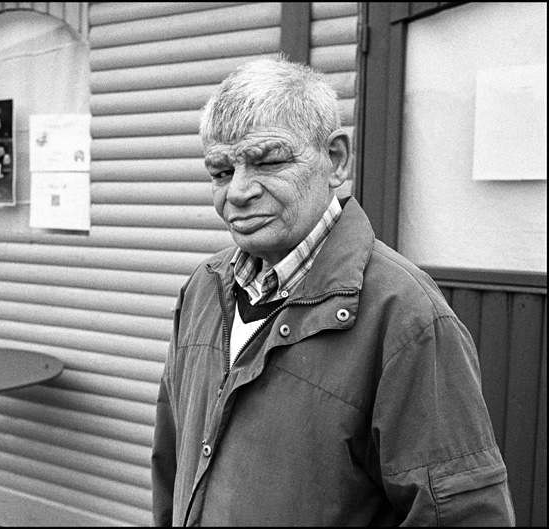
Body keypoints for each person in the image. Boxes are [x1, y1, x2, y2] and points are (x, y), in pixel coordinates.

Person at [151, 56, 516, 526]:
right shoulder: (203, 289)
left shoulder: (407, 317)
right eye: (221, 172)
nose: (238, 192)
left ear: (336, 160)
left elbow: (464, 517)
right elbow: (171, 465)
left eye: (269, 161)